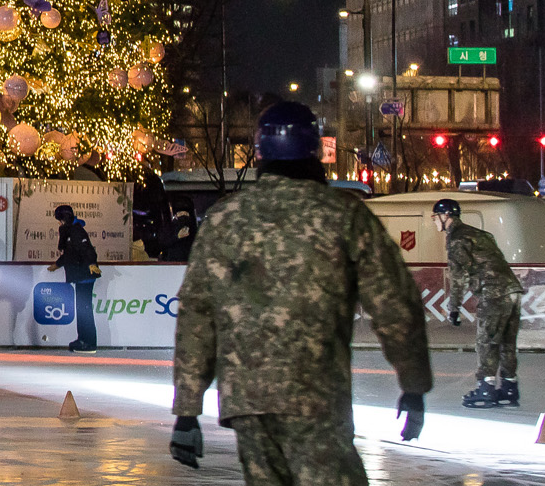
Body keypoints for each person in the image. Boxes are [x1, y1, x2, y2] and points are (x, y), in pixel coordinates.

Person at [170, 101, 430, 483]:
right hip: (316, 395)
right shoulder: (343, 215)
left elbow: (197, 313)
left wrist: (187, 410)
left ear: (260, 154)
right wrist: (413, 384)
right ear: (314, 152)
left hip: (249, 401)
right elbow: (394, 305)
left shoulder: (226, 219)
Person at [435, 196, 524, 407]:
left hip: (493, 293)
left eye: (436, 216)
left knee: (486, 341)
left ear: (446, 216)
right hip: (513, 290)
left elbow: (458, 278)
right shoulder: (481, 234)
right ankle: (510, 387)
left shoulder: (456, 239)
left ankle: (486, 388)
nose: (434, 221)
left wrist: (453, 308)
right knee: (507, 343)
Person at [46, 204, 99, 352]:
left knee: (85, 309)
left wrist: (91, 264)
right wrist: (57, 264)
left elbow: (86, 249)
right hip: (80, 274)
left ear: (64, 219)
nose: (59, 223)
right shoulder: (70, 231)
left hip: (85, 275)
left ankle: (89, 342)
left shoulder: (75, 231)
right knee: (82, 308)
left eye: (60, 220)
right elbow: (69, 254)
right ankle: (82, 338)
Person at [158, 196, 197, 262]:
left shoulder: (193, 229)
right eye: (181, 214)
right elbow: (162, 243)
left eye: (186, 214)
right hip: (172, 264)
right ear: (176, 215)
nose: (183, 216)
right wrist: (177, 236)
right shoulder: (169, 227)